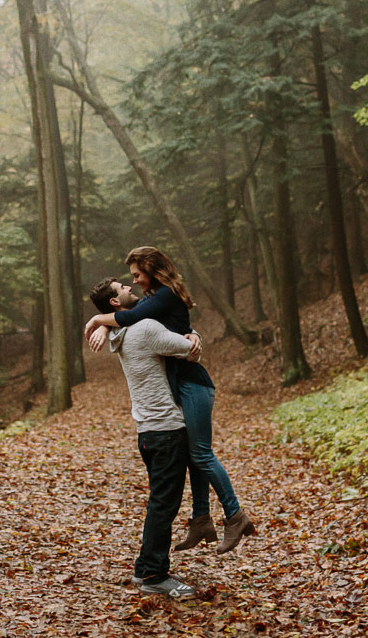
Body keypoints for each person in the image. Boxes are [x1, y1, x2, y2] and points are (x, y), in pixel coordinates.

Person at [84, 246, 255, 554]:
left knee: (201, 454)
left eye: (137, 275)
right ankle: (201, 519)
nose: (134, 281)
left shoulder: (161, 295)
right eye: (129, 280)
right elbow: (152, 324)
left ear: (151, 269)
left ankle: (235, 516)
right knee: (193, 455)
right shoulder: (154, 300)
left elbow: (136, 319)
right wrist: (106, 326)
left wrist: (99, 320)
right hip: (182, 384)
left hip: (193, 384)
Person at [88, 277, 200, 599]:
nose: (130, 288)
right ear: (115, 303)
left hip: (147, 432)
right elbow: (190, 351)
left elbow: (121, 326)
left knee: (160, 502)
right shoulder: (145, 328)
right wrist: (195, 335)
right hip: (165, 429)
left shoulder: (120, 334)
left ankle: (150, 568)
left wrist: (104, 325)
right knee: (163, 504)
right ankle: (151, 573)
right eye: (123, 287)